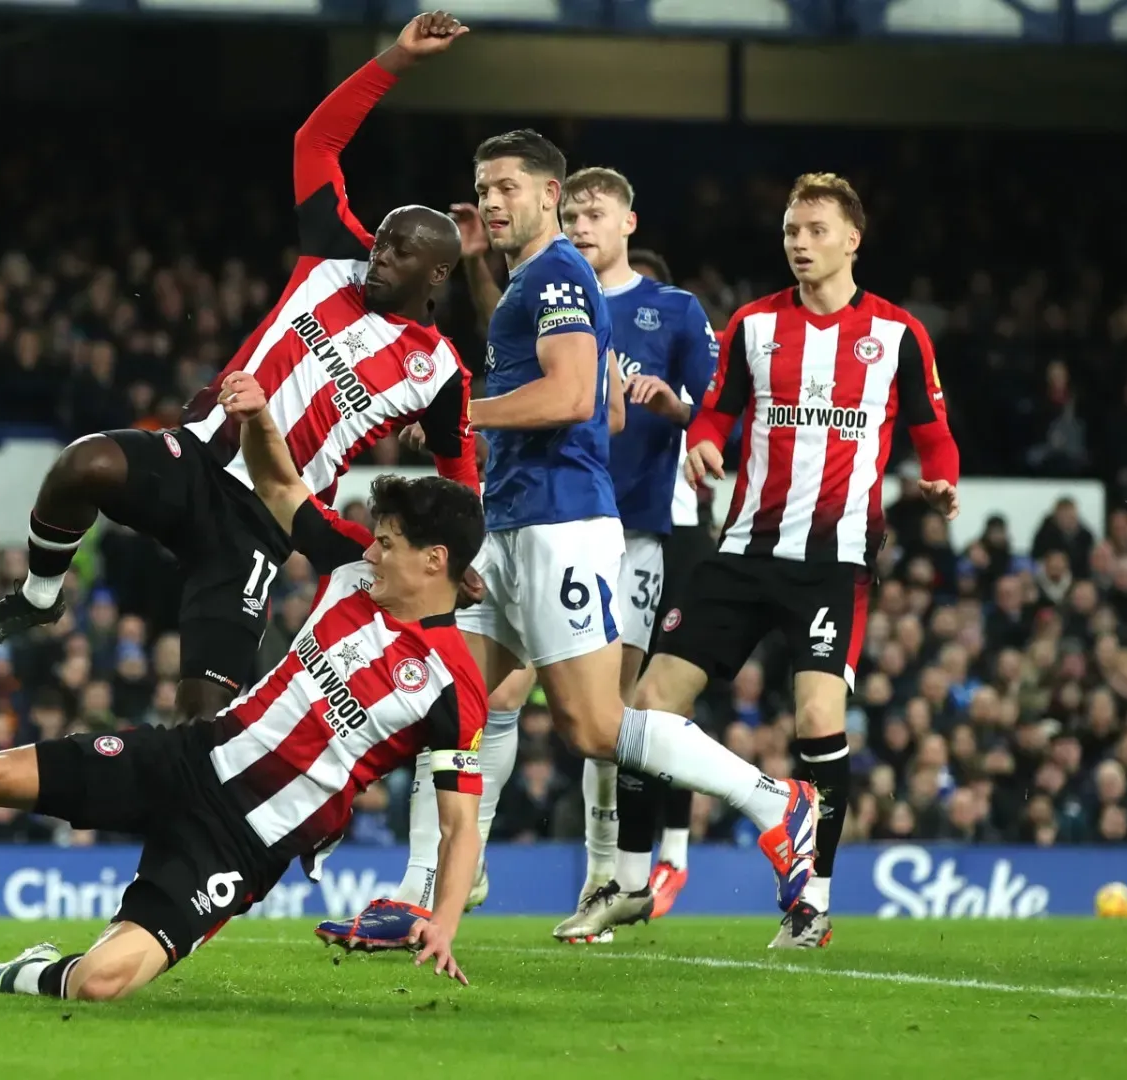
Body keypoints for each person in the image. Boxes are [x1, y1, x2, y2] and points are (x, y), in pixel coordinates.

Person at [0, 368, 490, 1000]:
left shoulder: (454, 685)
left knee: (102, 983)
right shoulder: (351, 569)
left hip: (242, 843)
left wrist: (443, 921)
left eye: (389, 545)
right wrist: (258, 420)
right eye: (377, 540)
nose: (374, 552)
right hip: (186, 758)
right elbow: (282, 492)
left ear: (435, 563)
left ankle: (17, 973)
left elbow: (459, 826)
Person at [319, 131, 818, 954]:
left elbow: (571, 393)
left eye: (508, 186)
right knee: (443, 701)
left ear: (549, 195)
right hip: (513, 523)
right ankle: (413, 899)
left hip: (563, 526)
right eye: (483, 187)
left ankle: (777, 804)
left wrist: (461, 412)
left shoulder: (555, 274)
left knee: (592, 728)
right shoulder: (526, 282)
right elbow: (595, 403)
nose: (491, 201)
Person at [0, 11, 479, 723]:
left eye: (399, 252)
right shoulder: (332, 254)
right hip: (196, 456)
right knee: (85, 465)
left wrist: (462, 552)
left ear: (437, 271)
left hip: (264, 520)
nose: (380, 255)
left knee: (201, 712)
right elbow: (315, 140)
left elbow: (458, 472)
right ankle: (40, 596)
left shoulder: (437, 370)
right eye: (380, 242)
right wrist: (400, 58)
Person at [640, 172, 961, 948]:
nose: (800, 243)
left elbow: (932, 430)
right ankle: (699, 836)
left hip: (835, 560)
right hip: (745, 548)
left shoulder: (897, 333)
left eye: (816, 230)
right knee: (648, 705)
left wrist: (943, 479)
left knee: (818, 717)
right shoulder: (752, 325)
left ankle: (812, 899)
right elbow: (716, 409)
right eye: (791, 230)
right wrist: (706, 442)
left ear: (853, 239)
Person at [545, 170, 720, 939]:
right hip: (546, 525)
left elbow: (721, 405)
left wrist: (675, 408)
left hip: (633, 535)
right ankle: (447, 876)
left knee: (607, 716)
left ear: (627, 222)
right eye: (571, 213)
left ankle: (606, 876)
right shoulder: (547, 300)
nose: (581, 224)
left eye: (594, 213)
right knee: (519, 703)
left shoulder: (674, 310)